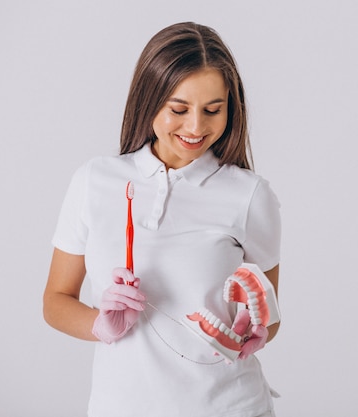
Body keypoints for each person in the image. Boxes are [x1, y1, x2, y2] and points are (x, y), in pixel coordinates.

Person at [43, 22, 281, 417]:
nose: (196, 127)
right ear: (149, 98)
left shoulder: (250, 195)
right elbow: (56, 301)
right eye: (179, 109)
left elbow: (268, 315)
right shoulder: (94, 181)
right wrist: (100, 325)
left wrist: (256, 331)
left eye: (213, 110)